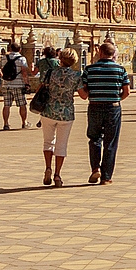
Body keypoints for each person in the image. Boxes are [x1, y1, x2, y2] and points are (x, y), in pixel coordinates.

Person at [77, 42, 130, 185]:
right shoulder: (120, 69)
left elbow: (83, 92)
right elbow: (127, 92)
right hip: (113, 108)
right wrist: (116, 98)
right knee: (110, 142)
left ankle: (95, 169)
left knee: (94, 138)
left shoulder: (89, 69)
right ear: (113, 54)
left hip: (94, 106)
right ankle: (106, 177)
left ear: (100, 52)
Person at [35, 47, 82, 188]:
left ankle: (48, 167)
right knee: (62, 145)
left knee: (48, 142)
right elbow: (83, 95)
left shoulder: (50, 73)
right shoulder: (76, 75)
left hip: (48, 110)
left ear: (60, 59)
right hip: (66, 113)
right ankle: (57, 175)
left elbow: (40, 88)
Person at [0, 42, 31, 130]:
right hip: (18, 84)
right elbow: (24, 72)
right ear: (20, 49)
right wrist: (27, 83)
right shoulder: (21, 59)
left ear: (10, 49)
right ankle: (24, 122)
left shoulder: (3, 58)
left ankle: (6, 124)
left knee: (6, 105)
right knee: (22, 104)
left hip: (6, 84)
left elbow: (1, 69)